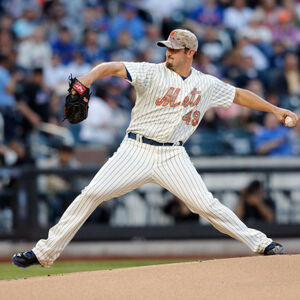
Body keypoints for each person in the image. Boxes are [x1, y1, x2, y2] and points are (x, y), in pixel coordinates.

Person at [12, 29, 298, 268]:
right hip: (134, 150)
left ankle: (262, 244)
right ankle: (44, 252)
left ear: (190, 53)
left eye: (174, 49)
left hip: (172, 155)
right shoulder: (151, 72)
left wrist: (274, 109)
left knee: (206, 205)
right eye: (167, 48)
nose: (168, 53)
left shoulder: (205, 84)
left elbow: (239, 95)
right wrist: (86, 80)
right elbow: (110, 67)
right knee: (92, 194)